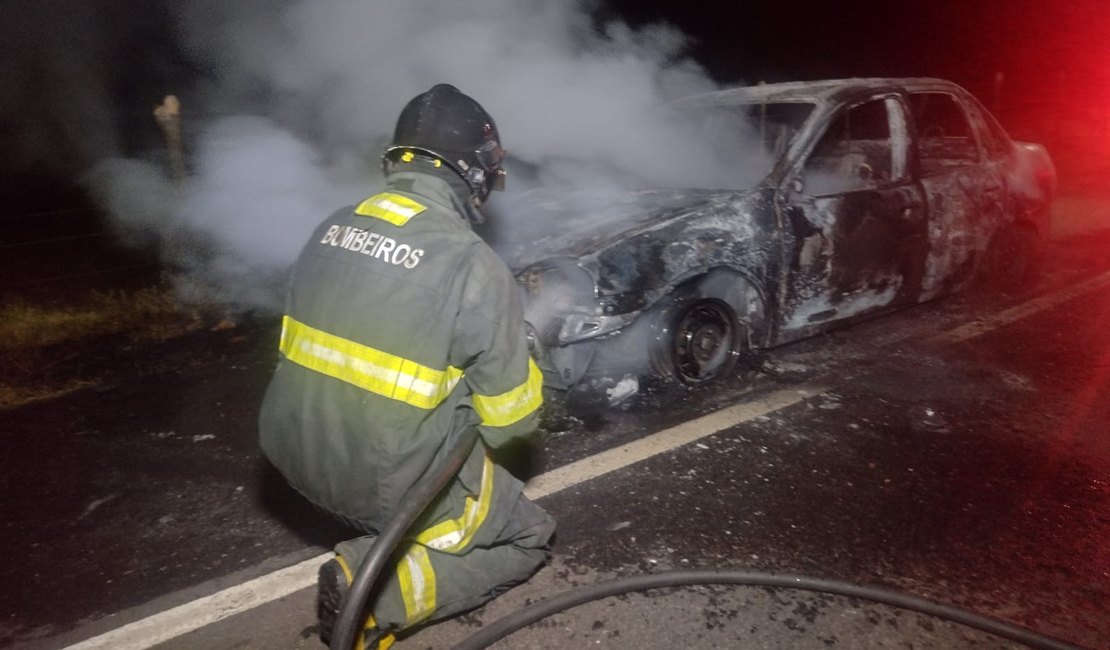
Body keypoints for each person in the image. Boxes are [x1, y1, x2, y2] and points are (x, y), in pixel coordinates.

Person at [258, 84, 555, 649]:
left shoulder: (330, 227)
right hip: (379, 488)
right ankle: (372, 594)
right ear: (473, 171)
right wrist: (526, 363)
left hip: (292, 459)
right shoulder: (472, 264)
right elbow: (511, 424)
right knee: (530, 536)